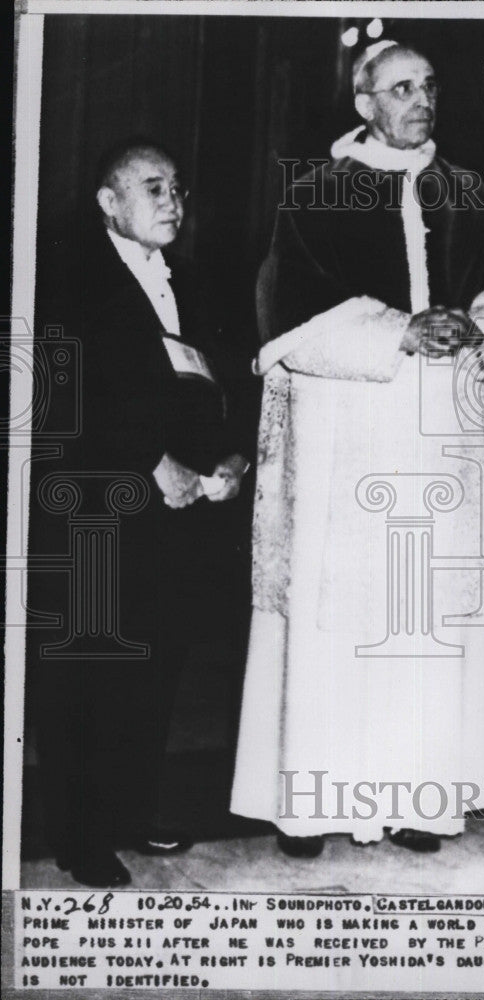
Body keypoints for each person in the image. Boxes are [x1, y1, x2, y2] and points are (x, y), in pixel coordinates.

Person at [230, 40, 484, 857]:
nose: (421, 100)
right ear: (364, 103)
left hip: (441, 434)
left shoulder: (471, 191)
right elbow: (287, 320)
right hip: (350, 433)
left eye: (430, 86)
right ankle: (314, 805)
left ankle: (416, 799)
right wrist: (397, 329)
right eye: (401, 88)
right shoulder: (317, 192)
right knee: (345, 612)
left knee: (422, 613)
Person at [28, 138, 252, 887]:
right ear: (107, 200)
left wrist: (229, 456)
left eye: (179, 188)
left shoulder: (188, 277)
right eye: (153, 186)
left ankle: (131, 808)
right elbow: (62, 397)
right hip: (96, 508)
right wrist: (152, 464)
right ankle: (79, 834)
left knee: (157, 666)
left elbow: (215, 377)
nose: (173, 201)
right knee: (89, 674)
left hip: (178, 511)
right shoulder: (64, 273)